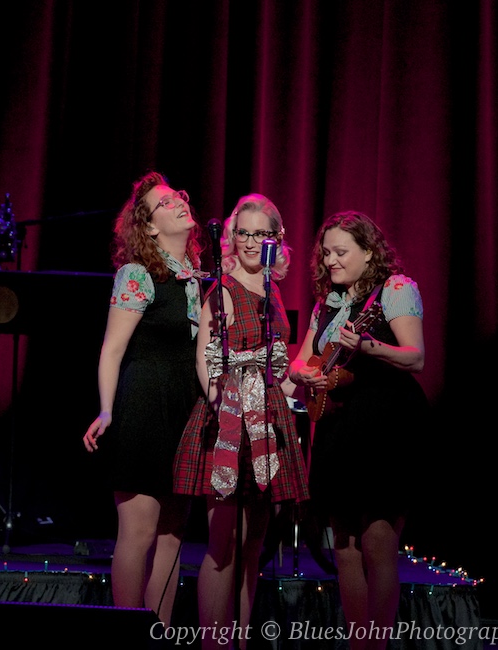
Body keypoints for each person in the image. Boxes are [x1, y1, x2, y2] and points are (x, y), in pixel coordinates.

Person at [173, 193, 310, 649]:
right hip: (230, 419)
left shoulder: (272, 290)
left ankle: (240, 641)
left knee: (254, 547)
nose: (250, 242)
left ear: (277, 238)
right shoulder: (223, 289)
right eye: (243, 233)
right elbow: (205, 359)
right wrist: (225, 412)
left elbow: (274, 362)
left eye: (261, 234)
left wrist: (291, 389)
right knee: (224, 547)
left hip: (267, 420)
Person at [288, 211, 429, 650]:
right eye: (326, 252)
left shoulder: (395, 289)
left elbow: (415, 356)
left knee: (377, 540)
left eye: (341, 252)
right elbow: (301, 360)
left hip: (385, 423)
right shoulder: (327, 303)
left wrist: (368, 345)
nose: (330, 260)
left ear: (369, 252)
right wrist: (303, 374)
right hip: (338, 425)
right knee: (344, 545)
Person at [82, 170, 205, 625]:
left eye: (179, 195)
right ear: (149, 226)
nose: (179, 202)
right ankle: (126, 634)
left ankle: (160, 634)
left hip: (185, 410)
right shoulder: (138, 274)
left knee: (173, 535)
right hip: (144, 406)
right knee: (139, 532)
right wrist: (106, 409)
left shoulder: (197, 278)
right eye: (165, 202)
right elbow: (112, 349)